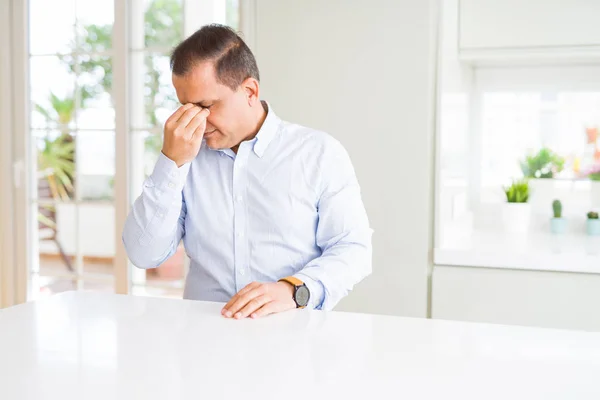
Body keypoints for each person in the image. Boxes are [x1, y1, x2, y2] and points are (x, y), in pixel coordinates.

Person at [122, 24, 372, 319]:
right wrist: (170, 163)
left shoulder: (319, 153)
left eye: (205, 105)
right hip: (203, 339)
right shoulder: (183, 160)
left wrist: (294, 290)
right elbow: (143, 253)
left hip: (292, 338)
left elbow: (353, 249)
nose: (195, 120)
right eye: (185, 106)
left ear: (250, 91)